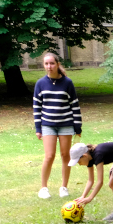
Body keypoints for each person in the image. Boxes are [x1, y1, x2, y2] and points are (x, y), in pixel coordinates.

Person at [33, 53, 82, 199]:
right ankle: (43, 188)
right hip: (48, 125)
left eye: (52, 63)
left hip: (65, 124)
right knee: (49, 156)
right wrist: (38, 128)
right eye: (46, 64)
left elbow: (75, 105)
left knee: (65, 155)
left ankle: (64, 187)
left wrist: (77, 126)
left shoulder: (67, 83)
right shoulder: (40, 83)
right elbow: (37, 107)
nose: (49, 66)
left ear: (58, 64)